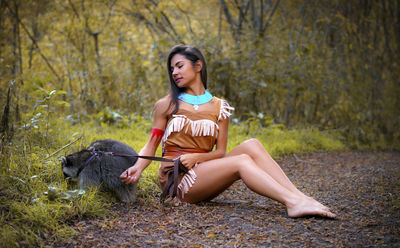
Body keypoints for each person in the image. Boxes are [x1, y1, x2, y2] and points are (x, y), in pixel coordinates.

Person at [120, 45, 336, 218]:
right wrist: (137, 168)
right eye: (172, 69)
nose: (174, 72)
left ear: (198, 66)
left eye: (179, 66)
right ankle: (292, 203)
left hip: (206, 173)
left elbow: (220, 153)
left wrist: (197, 156)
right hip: (179, 182)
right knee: (241, 161)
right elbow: (151, 143)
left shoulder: (219, 106)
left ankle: (301, 197)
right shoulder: (166, 104)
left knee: (252, 144)